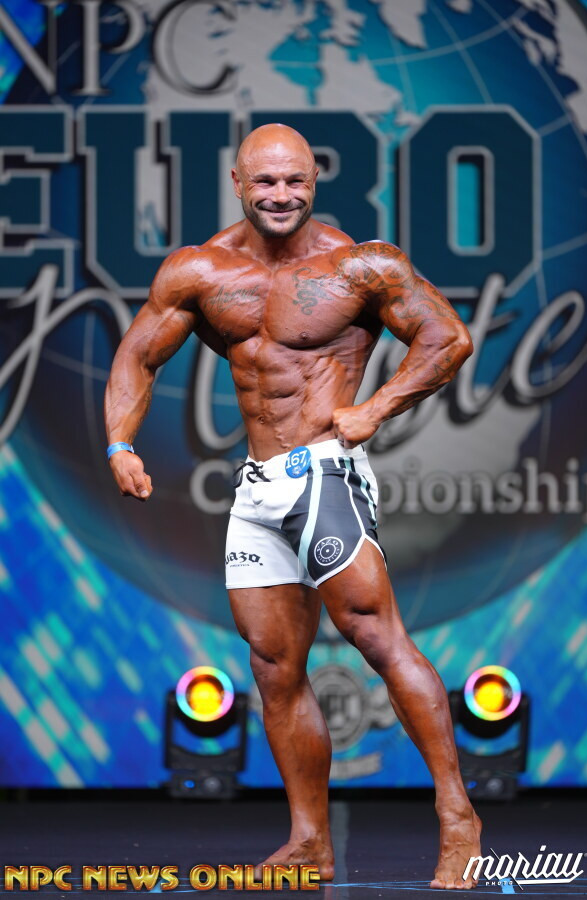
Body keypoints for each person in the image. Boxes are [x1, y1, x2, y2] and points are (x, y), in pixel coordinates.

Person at [104, 123, 482, 890]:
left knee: (375, 636)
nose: (281, 195)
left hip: (324, 472)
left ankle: (457, 816)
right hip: (257, 486)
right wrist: (119, 443)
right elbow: (138, 355)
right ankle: (310, 841)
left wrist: (376, 407)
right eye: (266, 182)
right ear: (239, 183)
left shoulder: (360, 266)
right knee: (274, 666)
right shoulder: (200, 270)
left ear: (315, 181)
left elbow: (447, 339)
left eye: (295, 181)